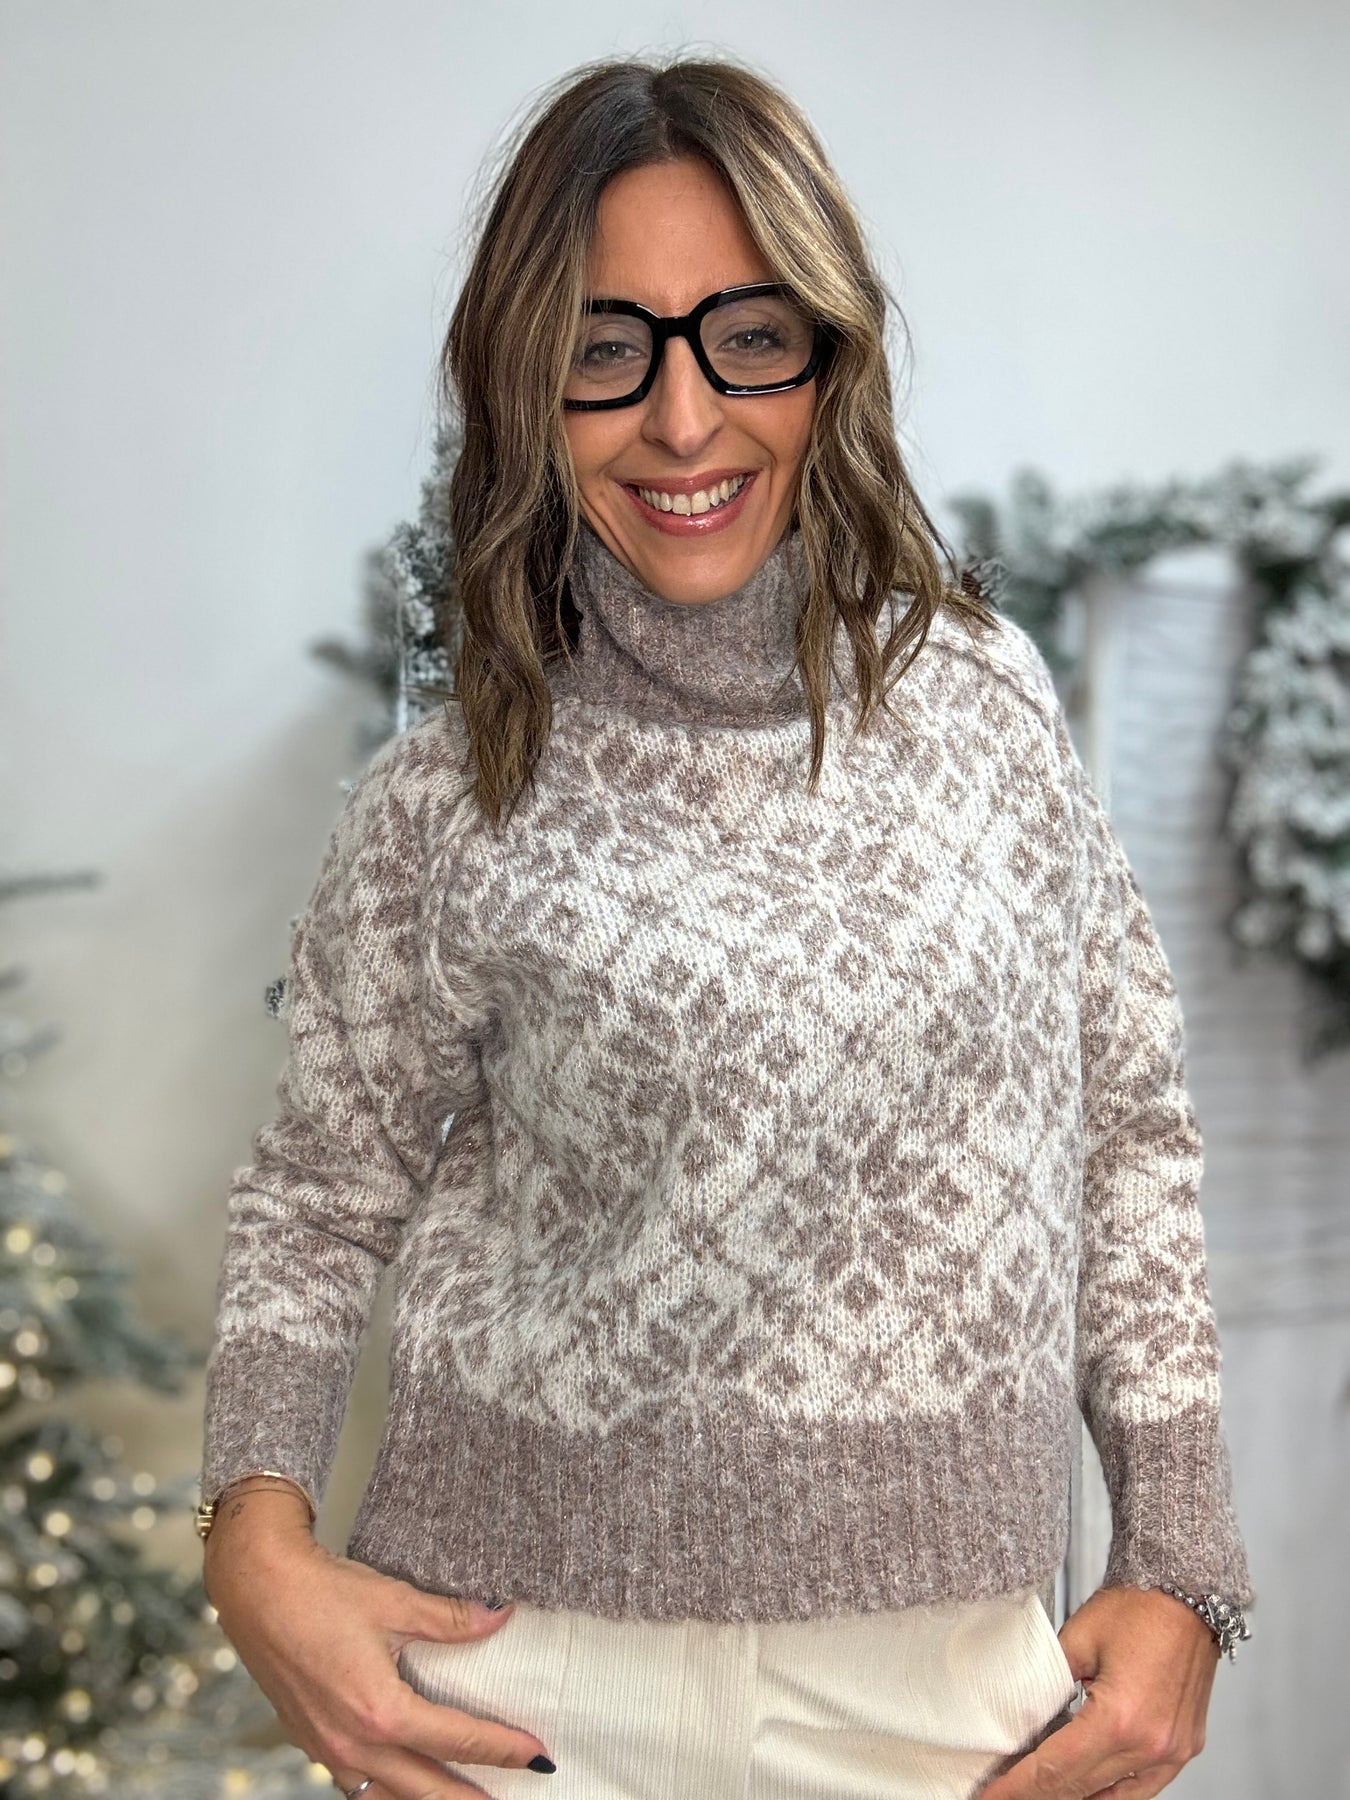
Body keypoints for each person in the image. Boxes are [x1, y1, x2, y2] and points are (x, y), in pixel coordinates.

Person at [197, 51, 1254, 1800]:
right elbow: (316, 1192)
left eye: (746, 335)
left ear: (827, 352)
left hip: (942, 1698)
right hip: (510, 1681)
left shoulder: (985, 709)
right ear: (525, 384)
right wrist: (253, 1542)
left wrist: (1185, 1563)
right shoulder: (450, 786)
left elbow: (1125, 1130)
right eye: (603, 349)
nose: (682, 422)